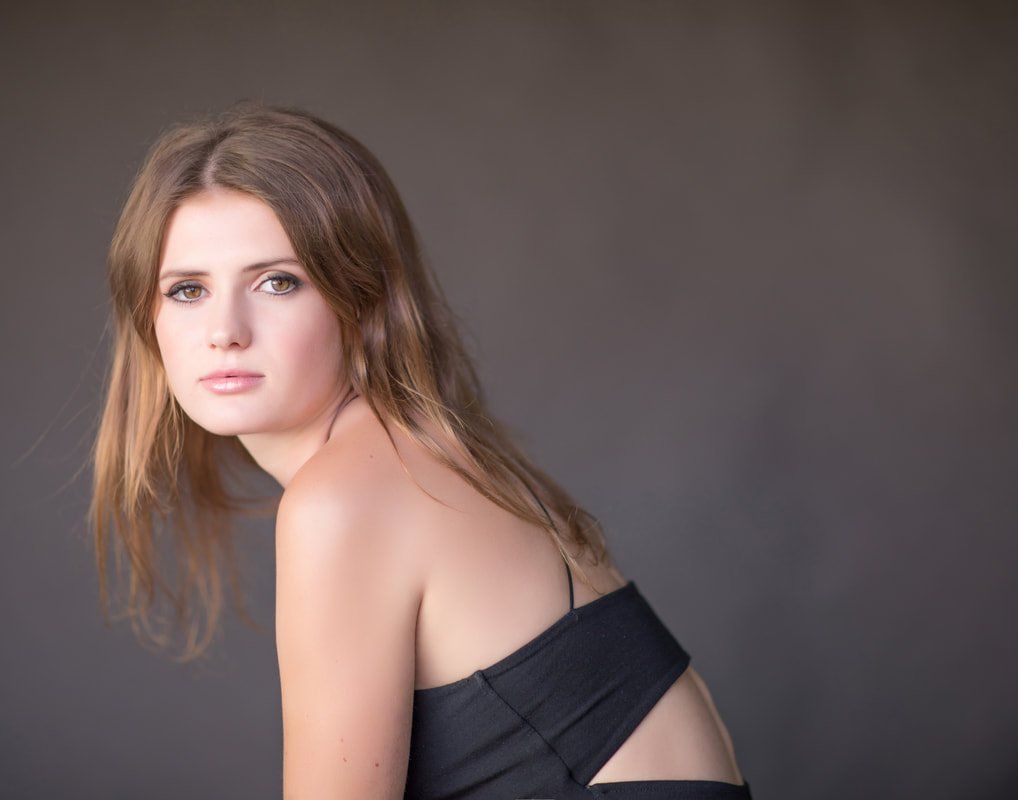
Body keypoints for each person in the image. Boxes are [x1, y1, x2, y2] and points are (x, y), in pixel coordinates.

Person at [88, 101, 752, 799]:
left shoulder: (347, 499)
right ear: (147, 316)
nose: (224, 330)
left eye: (278, 282)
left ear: (360, 299)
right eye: (187, 289)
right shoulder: (422, 452)